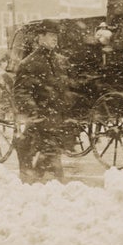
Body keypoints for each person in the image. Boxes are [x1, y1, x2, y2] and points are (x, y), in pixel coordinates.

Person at [13, 20, 74, 183]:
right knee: (39, 157)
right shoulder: (29, 63)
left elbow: (67, 88)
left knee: (49, 160)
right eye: (51, 35)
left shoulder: (61, 61)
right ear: (40, 37)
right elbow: (21, 91)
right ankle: (33, 184)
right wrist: (33, 110)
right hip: (39, 121)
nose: (55, 39)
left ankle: (38, 184)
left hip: (56, 121)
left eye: (56, 36)